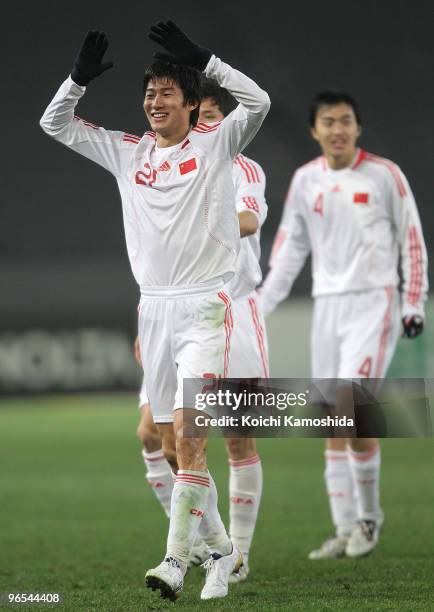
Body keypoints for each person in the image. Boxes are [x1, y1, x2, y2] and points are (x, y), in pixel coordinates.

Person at [40, 23, 270, 601]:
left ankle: (174, 561)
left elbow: (259, 101)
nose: (155, 101)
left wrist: (206, 61)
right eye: (150, 93)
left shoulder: (218, 147)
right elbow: (54, 123)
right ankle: (220, 552)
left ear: (193, 106)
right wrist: (76, 81)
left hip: (206, 311)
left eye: (168, 92)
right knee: (168, 444)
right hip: (155, 311)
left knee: (192, 436)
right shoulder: (128, 153)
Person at [261, 91, 428, 559]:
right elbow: (290, 250)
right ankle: (343, 528)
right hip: (327, 306)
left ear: (358, 127)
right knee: (334, 419)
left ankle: (369, 520)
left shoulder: (384, 175)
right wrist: (261, 303)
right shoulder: (305, 181)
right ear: (314, 130)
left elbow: (411, 240)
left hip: (375, 302)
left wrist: (413, 302)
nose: (338, 129)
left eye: (346, 121)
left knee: (351, 402)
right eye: (328, 121)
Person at [135, 79, 268, 583]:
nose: (209, 125)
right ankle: (217, 549)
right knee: (157, 435)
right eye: (204, 116)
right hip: (172, 309)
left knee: (236, 436)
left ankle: (239, 556)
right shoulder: (166, 165)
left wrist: (200, 220)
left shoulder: (242, 167)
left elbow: (250, 221)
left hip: (231, 306)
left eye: (216, 116)